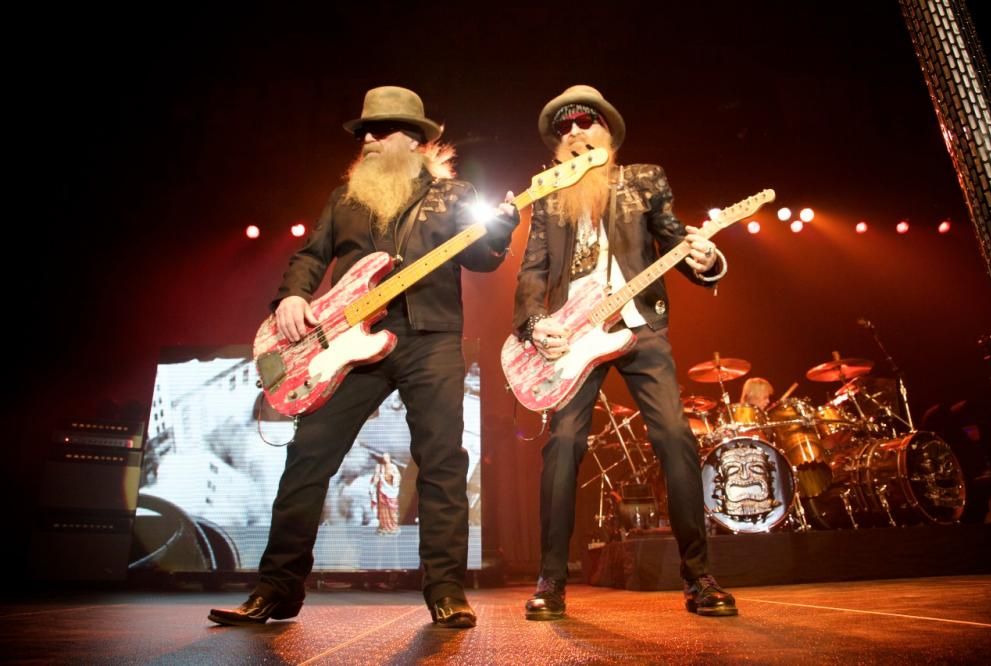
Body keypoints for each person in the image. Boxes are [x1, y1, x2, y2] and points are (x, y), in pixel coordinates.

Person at [209, 86, 517, 629]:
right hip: (349, 342)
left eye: (381, 129)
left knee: (442, 462)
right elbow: (311, 256)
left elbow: (481, 258)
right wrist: (292, 297)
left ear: (415, 140)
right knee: (308, 457)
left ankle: (446, 590)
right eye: (364, 132)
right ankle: (277, 588)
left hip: (429, 337)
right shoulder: (344, 199)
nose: (368, 139)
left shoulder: (453, 195)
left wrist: (500, 234)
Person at [512, 85, 737, 619]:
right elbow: (533, 270)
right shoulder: (548, 197)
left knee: (675, 436)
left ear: (608, 131)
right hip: (573, 335)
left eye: (585, 121)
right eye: (563, 127)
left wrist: (705, 259)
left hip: (639, 325)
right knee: (563, 443)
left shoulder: (643, 179)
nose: (574, 132)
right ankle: (551, 580)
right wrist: (536, 324)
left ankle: (699, 576)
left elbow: (674, 241)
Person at [370, 452, 402, 534]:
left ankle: (393, 527)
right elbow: (376, 477)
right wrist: (374, 484)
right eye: (384, 458)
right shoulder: (380, 467)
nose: (385, 459)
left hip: (392, 491)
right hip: (383, 491)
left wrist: (393, 478)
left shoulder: (393, 467)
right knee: (383, 510)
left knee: (393, 509)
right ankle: (384, 527)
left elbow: (397, 477)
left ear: (389, 458)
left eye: (387, 458)